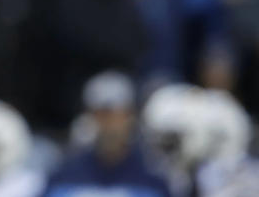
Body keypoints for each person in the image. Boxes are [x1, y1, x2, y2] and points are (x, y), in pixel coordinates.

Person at [43, 71, 171, 197]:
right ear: (90, 116)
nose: (109, 124)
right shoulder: (65, 172)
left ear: (130, 116)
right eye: (102, 115)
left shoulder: (152, 175)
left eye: (117, 115)